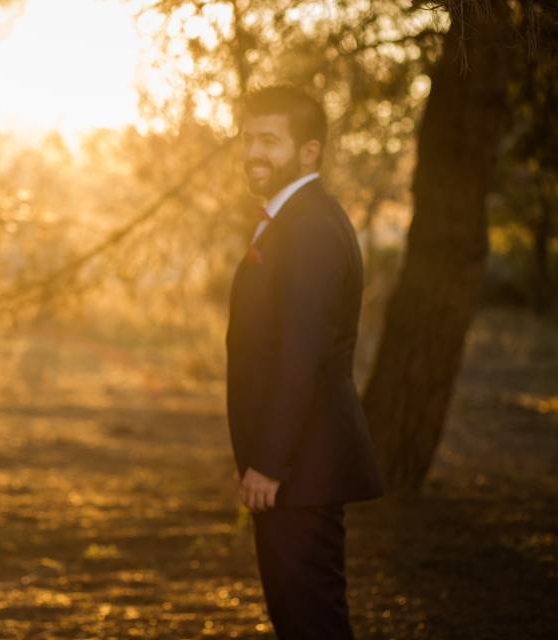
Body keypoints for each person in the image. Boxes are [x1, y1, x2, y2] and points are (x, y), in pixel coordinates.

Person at [226, 85, 383, 638]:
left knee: (311, 620)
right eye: (249, 140)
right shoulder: (291, 220)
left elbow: (303, 354)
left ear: (309, 152)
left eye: (269, 140)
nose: (254, 153)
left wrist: (269, 462)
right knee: (298, 617)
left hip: (300, 466)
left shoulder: (311, 227)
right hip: (297, 464)